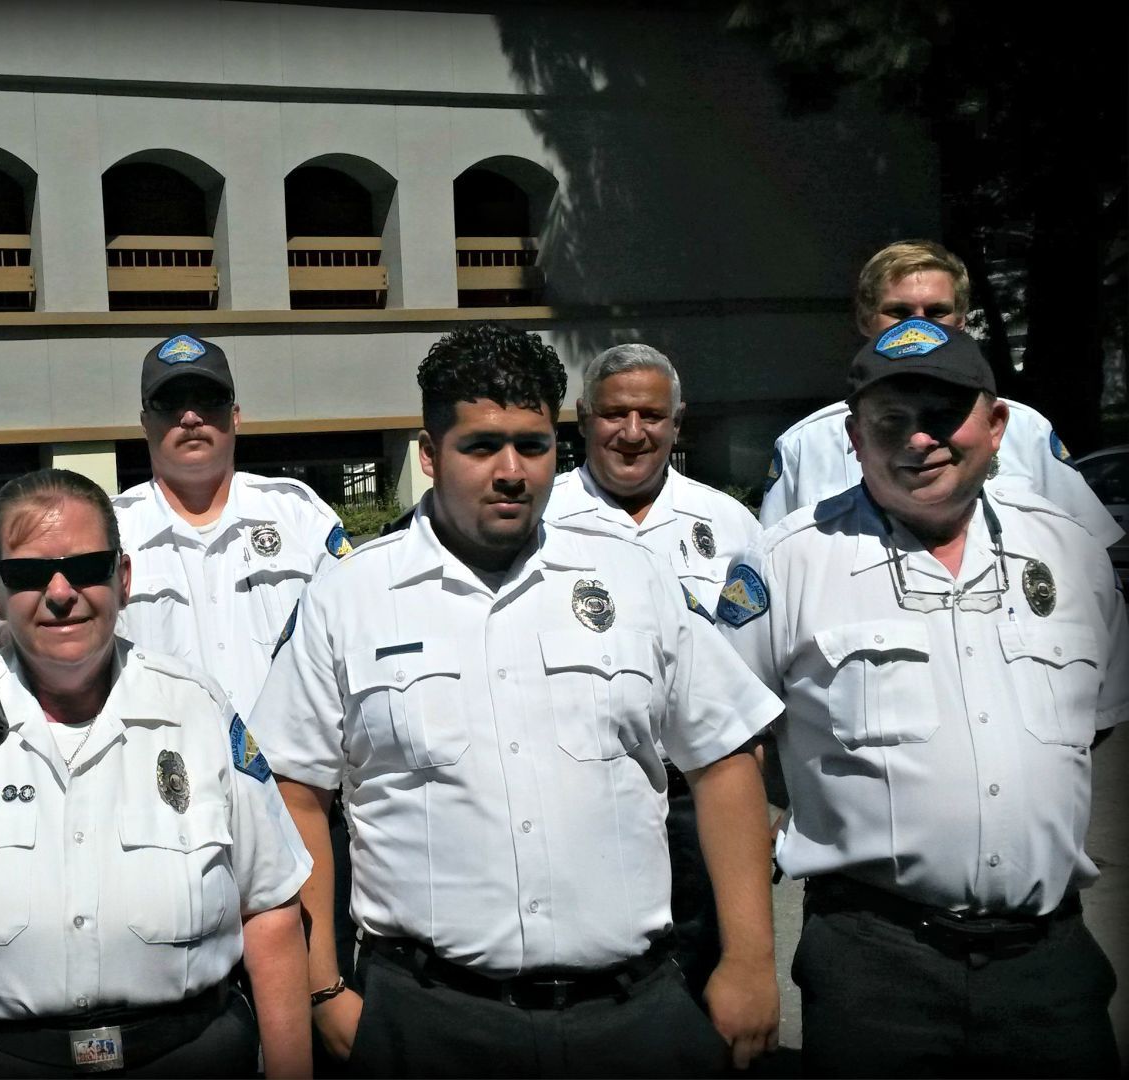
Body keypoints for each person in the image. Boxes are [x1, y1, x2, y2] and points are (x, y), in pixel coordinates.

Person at [254, 322, 783, 1077]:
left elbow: (725, 759)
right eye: (480, 446)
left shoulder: (633, 580)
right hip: (429, 1019)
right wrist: (323, 989)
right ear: (430, 454)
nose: (512, 471)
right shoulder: (350, 597)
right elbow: (295, 791)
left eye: (533, 445)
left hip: (633, 1015)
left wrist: (750, 961)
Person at [718, 319, 1126, 1077]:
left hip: (1051, 964)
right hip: (876, 965)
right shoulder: (788, 562)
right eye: (892, 421)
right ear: (855, 435)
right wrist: (747, 957)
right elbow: (728, 753)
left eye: (943, 416)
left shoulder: (1072, 554)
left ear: (996, 424)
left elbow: (1093, 728)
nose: (919, 441)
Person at [0, 468, 312, 1078]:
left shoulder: (199, 711)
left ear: (124, 577)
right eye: (30, 574)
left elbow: (270, 912)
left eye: (86, 566)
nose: (61, 592)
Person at [543, 342, 763, 999]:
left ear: (677, 421)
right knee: (599, 981)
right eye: (615, 414)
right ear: (582, 419)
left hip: (703, 796)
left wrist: (757, 795)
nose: (633, 434)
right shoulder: (540, 518)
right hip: (584, 790)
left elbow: (759, 665)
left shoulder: (729, 525)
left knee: (713, 977)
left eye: (652, 416)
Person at [760, 240, 1121, 547]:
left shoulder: (1025, 430)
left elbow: (1087, 552)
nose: (918, 327)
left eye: (936, 312)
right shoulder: (806, 445)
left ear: (962, 321)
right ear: (866, 320)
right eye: (899, 312)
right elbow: (778, 564)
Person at [114, 332, 351, 717]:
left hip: (292, 772)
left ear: (235, 415)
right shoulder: (113, 531)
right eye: (169, 403)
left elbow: (354, 637)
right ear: (144, 423)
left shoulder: (300, 515)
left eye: (209, 400)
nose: (190, 418)